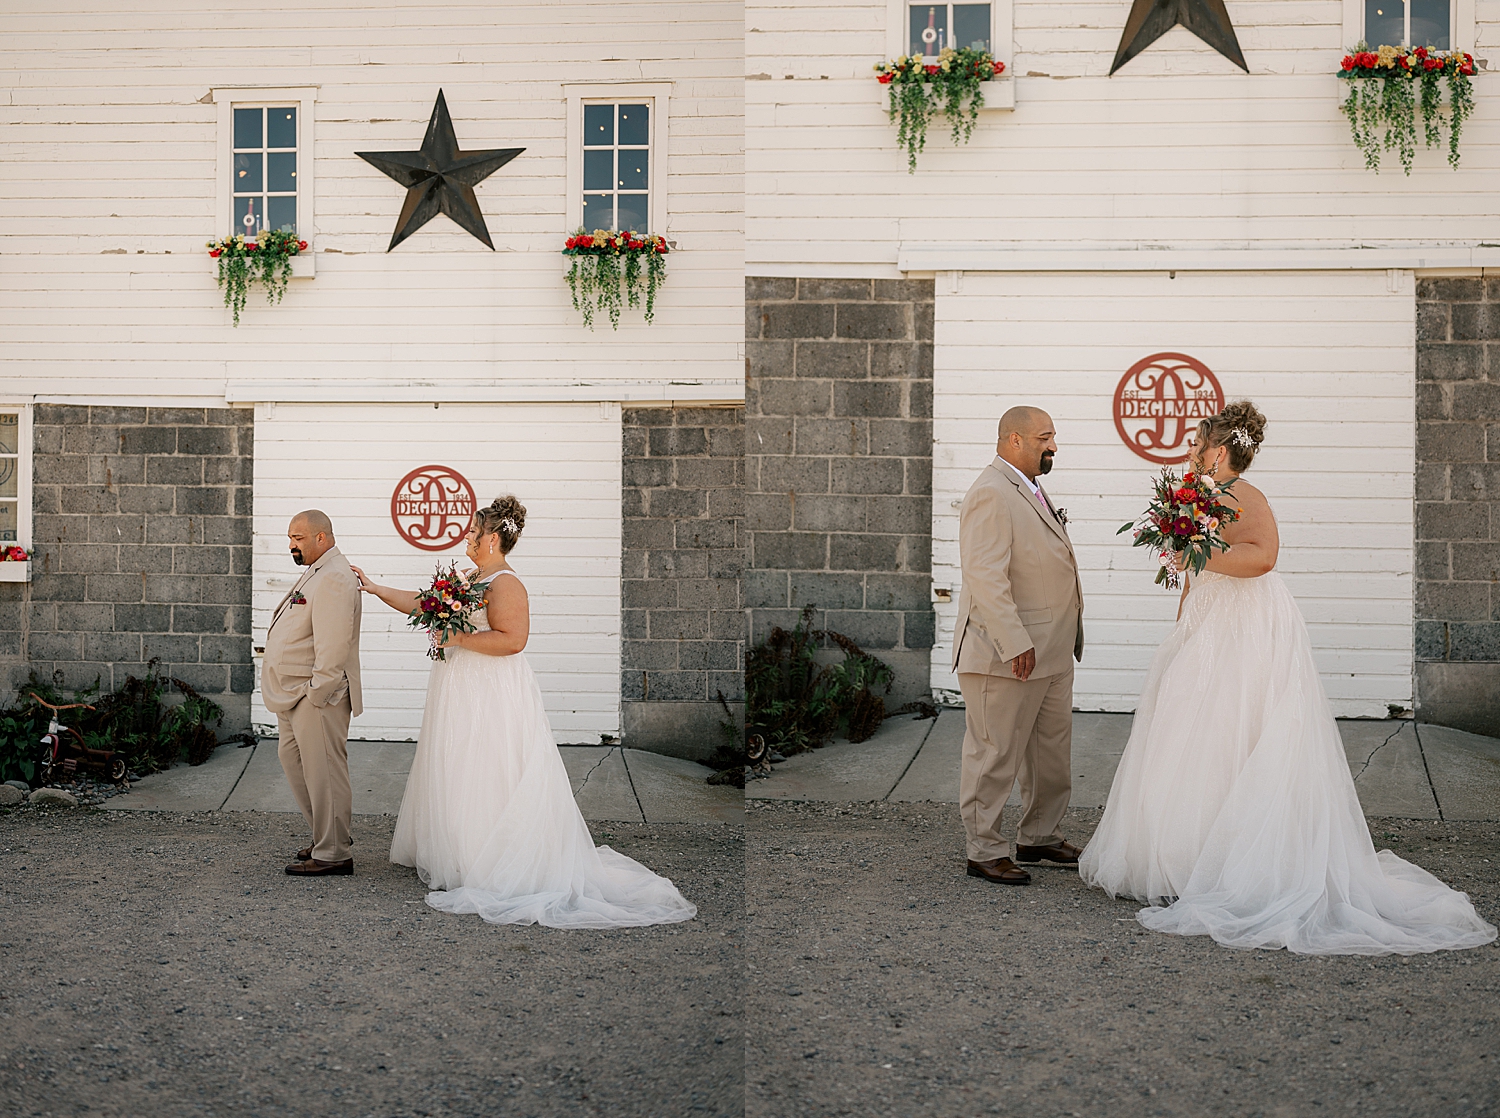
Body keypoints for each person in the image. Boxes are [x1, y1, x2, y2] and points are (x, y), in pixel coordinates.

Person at [1080, 401, 1496, 955]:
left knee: (1231, 727)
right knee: (1191, 730)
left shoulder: (1245, 496)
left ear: (1219, 451)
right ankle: (1188, 856)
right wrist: (1187, 591)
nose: (1188, 452)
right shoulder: (1203, 497)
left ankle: (1229, 862)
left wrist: (1196, 550)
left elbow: (1263, 556)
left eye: (1195, 444)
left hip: (1244, 627)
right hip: (1210, 621)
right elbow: (1205, 561)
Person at [351, 495, 696, 929]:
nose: (466, 537)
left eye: (473, 531)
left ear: (491, 537)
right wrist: (376, 587)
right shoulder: (474, 576)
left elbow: (513, 640)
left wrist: (457, 640)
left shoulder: (505, 584)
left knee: (487, 765)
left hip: (491, 689)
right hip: (461, 684)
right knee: (458, 764)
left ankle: (489, 858)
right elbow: (426, 604)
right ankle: (460, 852)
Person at [954, 406, 1085, 886]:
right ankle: (984, 849)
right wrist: (1013, 642)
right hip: (1006, 653)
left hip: (1050, 650)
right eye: (1044, 437)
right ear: (1013, 440)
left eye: (1052, 436)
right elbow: (985, 576)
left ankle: (1040, 835)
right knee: (994, 753)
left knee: (1049, 752)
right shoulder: (990, 492)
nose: (1053, 446)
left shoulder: (1028, 486)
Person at [262, 509, 363, 876]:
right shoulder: (317, 571)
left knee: (325, 772)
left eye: (298, 538)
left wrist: (317, 693)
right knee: (296, 764)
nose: (291, 545)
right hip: (293, 695)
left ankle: (334, 853)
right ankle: (327, 836)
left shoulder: (335, 576)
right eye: (290, 538)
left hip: (315, 696)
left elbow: (334, 644)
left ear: (322, 537)